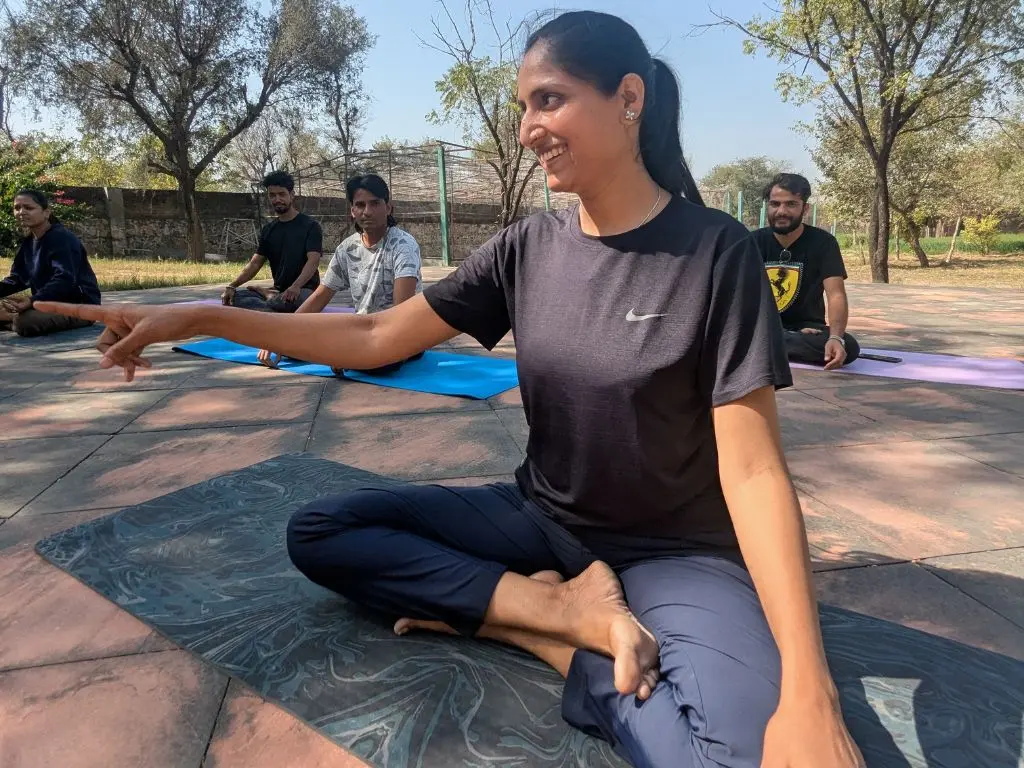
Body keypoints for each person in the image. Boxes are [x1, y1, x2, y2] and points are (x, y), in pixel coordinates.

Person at [38, 11, 865, 768]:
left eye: (549, 100)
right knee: (321, 531)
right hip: (543, 519)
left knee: (734, 757)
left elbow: (754, 473)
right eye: (522, 107)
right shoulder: (525, 248)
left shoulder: (715, 253)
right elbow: (372, 337)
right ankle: (563, 615)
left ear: (629, 98)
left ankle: (544, 636)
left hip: (677, 553)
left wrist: (811, 690)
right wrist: (199, 318)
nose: (529, 128)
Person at [257, 173, 424, 376]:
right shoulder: (347, 248)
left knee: (383, 362)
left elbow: (400, 312)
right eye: (360, 205)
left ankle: (350, 356)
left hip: (400, 334)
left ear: (388, 208)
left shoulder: (402, 245)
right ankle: (349, 355)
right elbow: (320, 296)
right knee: (295, 344)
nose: (367, 212)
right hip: (363, 333)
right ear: (353, 211)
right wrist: (281, 339)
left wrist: (346, 351)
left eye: (375, 203)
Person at [752, 174, 861, 369]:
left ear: (805, 208)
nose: (781, 211)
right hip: (763, 326)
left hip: (808, 329)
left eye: (791, 204)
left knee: (849, 345)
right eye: (775, 204)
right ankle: (776, 342)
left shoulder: (824, 243)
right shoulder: (751, 242)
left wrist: (836, 337)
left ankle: (769, 346)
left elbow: (836, 294)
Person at [0, 188, 101, 337]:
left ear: (46, 212)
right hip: (45, 304)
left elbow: (65, 279)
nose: (21, 212)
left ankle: (10, 319)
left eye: (28, 208)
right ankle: (11, 319)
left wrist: (31, 301)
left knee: (25, 321)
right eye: (17, 208)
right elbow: (17, 278)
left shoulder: (61, 239)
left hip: (78, 307)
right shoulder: (29, 242)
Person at [221, 170, 323, 312]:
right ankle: (270, 300)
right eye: (272, 195)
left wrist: (296, 286)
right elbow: (255, 263)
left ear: (291, 195)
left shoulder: (310, 226)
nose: (277, 199)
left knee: (291, 302)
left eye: (281, 194)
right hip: (280, 291)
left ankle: (267, 298)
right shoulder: (269, 230)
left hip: (304, 291)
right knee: (235, 297)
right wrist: (232, 286)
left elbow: (313, 261)